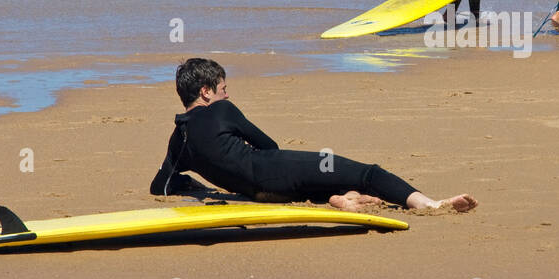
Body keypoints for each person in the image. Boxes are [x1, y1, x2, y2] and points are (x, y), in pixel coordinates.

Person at [150, 58, 477, 213]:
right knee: (367, 172)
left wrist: (197, 187)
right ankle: (430, 204)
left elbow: (161, 185)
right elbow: (269, 146)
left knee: (318, 180)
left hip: (258, 194)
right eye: (223, 90)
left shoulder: (179, 139)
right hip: (273, 171)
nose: (226, 95)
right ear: (206, 92)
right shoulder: (222, 110)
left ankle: (341, 199)